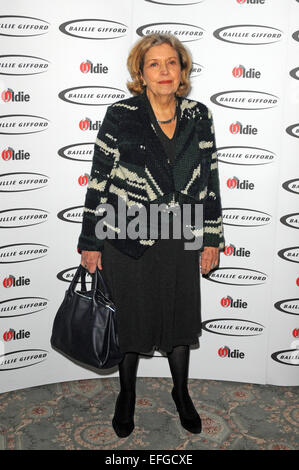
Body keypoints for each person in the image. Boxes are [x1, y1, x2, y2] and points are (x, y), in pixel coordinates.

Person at [77, 33, 224, 438]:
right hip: (127, 234)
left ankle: (181, 393)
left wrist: (211, 237)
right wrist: (90, 242)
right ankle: (126, 395)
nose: (164, 71)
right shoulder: (121, 114)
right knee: (131, 322)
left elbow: (209, 179)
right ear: (140, 73)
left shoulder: (198, 115)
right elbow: (99, 180)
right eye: (154, 64)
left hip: (180, 233)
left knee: (179, 319)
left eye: (171, 63)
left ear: (182, 70)